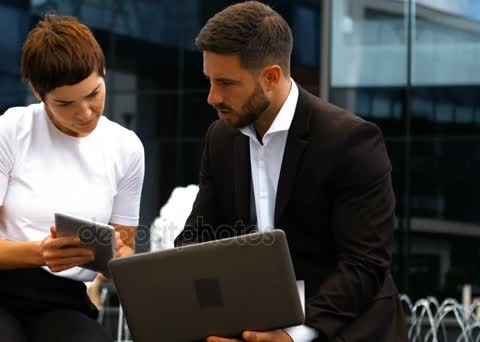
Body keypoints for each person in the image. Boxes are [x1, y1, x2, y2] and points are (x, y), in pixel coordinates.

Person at [174, 2, 407, 342]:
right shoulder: (221, 138)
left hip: (341, 325)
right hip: (253, 322)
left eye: (226, 83)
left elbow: (364, 265)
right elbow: (198, 238)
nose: (212, 97)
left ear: (270, 77)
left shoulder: (351, 141)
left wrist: (293, 335)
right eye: (209, 80)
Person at [0, 14, 144, 342]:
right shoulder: (9, 131)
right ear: (38, 92)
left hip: (66, 300)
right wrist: (39, 253)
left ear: (103, 74)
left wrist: (118, 256)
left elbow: (125, 246)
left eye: (94, 94)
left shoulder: (127, 148)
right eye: (65, 103)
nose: (86, 113)